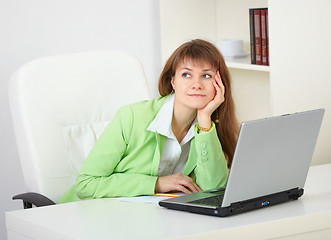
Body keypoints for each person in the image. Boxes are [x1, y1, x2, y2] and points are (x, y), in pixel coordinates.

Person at [58, 39, 239, 203]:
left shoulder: (209, 129)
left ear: (219, 83)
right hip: (83, 213)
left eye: (206, 75)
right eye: (186, 74)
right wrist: (156, 184)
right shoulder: (131, 117)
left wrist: (205, 120)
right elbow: (86, 184)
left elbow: (213, 190)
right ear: (173, 81)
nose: (197, 84)